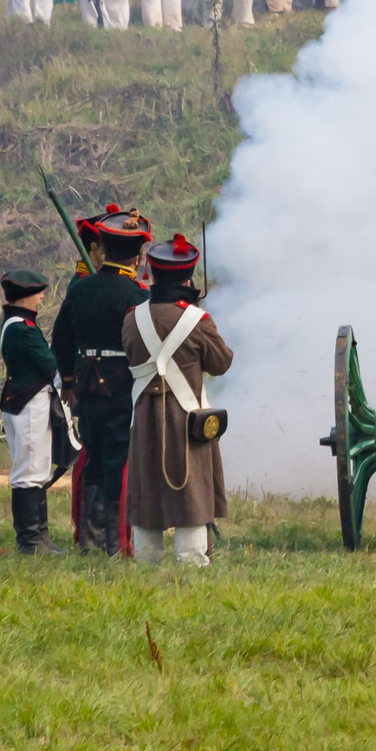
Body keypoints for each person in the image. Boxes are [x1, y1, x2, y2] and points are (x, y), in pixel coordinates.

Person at [122, 233, 232, 567]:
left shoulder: (132, 318)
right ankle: (191, 559)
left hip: (144, 413)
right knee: (193, 486)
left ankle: (147, 556)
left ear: (152, 275)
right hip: (187, 417)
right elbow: (221, 363)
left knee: (146, 484)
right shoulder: (197, 321)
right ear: (188, 276)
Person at [50, 205, 152, 550]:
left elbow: (61, 337)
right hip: (123, 384)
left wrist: (67, 380)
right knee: (119, 458)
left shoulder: (80, 288)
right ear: (138, 257)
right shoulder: (137, 296)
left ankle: (86, 539)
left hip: (85, 384)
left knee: (92, 454)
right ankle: (119, 543)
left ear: (103, 249)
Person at [0, 269, 64, 555]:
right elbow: (50, 365)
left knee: (36, 469)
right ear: (25, 298)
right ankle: (30, 541)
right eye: (38, 292)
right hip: (29, 404)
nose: (42, 296)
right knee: (28, 472)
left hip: (26, 402)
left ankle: (40, 537)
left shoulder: (18, 323)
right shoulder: (22, 329)